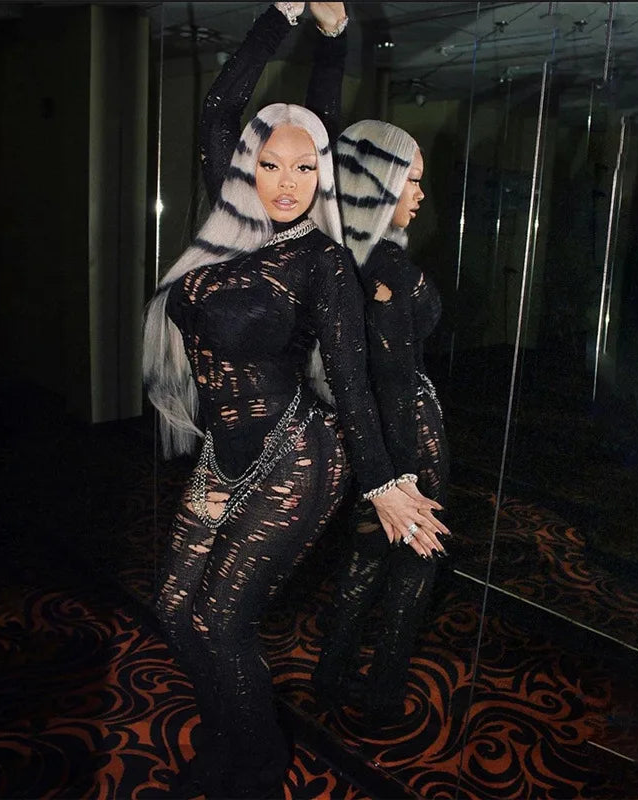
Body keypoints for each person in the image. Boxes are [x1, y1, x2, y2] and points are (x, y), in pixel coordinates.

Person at [142, 12, 448, 800]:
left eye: (306, 167)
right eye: (272, 164)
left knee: (221, 622)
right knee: (174, 610)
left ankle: (255, 767)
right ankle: (228, 741)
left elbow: (350, 380)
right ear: (248, 166)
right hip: (224, 456)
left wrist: (383, 482)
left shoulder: (323, 263)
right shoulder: (233, 223)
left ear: (323, 176)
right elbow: (219, 107)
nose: (287, 181)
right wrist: (280, 16)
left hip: (296, 460)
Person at [313, 120, 451, 723]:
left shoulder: (337, 256)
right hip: (406, 433)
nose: (420, 195)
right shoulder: (387, 266)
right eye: (411, 181)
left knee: (367, 554)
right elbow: (393, 379)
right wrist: (400, 474)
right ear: (378, 182)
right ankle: (384, 693)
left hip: (370, 435)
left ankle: (329, 676)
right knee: (417, 557)